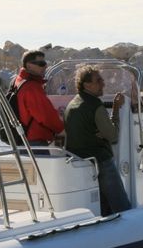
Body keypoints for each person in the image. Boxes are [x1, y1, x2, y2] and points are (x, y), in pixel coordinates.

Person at [64, 65, 132, 216]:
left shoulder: (73, 104)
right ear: (87, 84)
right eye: (99, 80)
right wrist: (115, 109)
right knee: (121, 204)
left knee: (102, 206)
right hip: (101, 161)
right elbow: (113, 136)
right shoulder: (95, 105)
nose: (103, 83)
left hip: (81, 162)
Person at [13, 50, 64, 147]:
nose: (45, 66)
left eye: (45, 63)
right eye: (41, 64)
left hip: (21, 140)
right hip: (35, 142)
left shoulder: (17, 81)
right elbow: (46, 116)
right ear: (29, 66)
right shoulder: (32, 87)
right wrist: (62, 130)